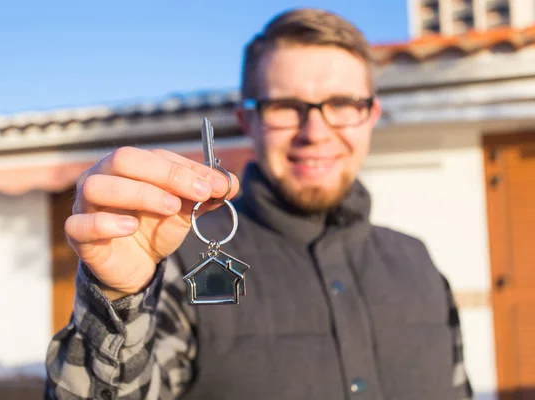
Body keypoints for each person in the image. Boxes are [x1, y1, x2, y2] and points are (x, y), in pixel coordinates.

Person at [45, 8, 473, 400]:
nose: (316, 132)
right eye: (286, 106)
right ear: (248, 119)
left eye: (342, 104)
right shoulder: (177, 260)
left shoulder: (420, 264)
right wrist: (118, 299)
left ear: (371, 115)